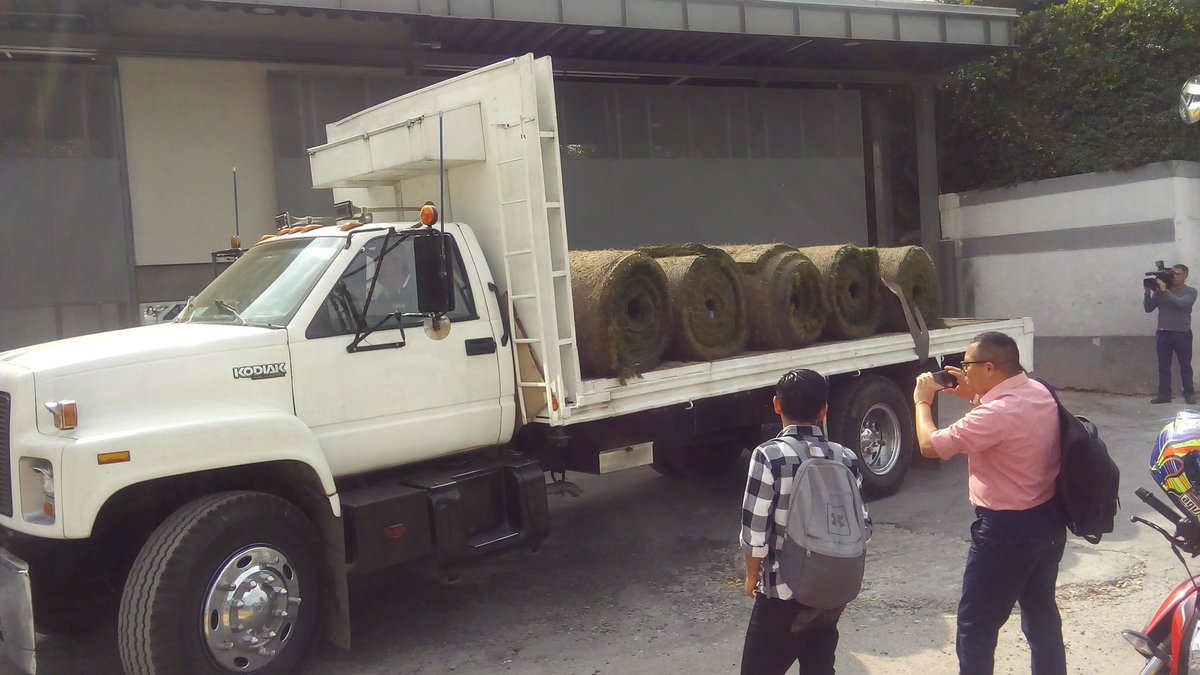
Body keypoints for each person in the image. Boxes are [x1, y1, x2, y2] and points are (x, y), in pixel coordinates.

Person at [913, 331, 1066, 675]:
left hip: (1006, 531)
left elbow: (930, 445)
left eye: (967, 365)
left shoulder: (994, 414)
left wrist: (922, 401)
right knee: (1041, 616)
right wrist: (974, 393)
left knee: (975, 628)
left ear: (991, 367)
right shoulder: (1039, 391)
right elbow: (1004, 414)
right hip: (1048, 519)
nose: (963, 371)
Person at [739, 368, 868, 675]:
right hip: (834, 589)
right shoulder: (845, 457)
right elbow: (864, 526)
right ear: (824, 409)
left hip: (784, 591)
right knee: (819, 667)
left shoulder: (769, 455)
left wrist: (751, 577)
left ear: (777, 405)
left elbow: (755, 529)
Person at [1144, 263, 1197, 404]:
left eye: (1178, 274)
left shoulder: (1190, 291)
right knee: (1163, 366)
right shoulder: (1161, 291)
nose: (1174, 277)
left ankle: (1189, 393)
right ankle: (1164, 394)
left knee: (1185, 365)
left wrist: (1164, 290)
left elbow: (1181, 304)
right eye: (1172, 274)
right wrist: (1147, 292)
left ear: (1186, 275)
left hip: (1183, 333)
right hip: (1163, 333)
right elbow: (1148, 308)